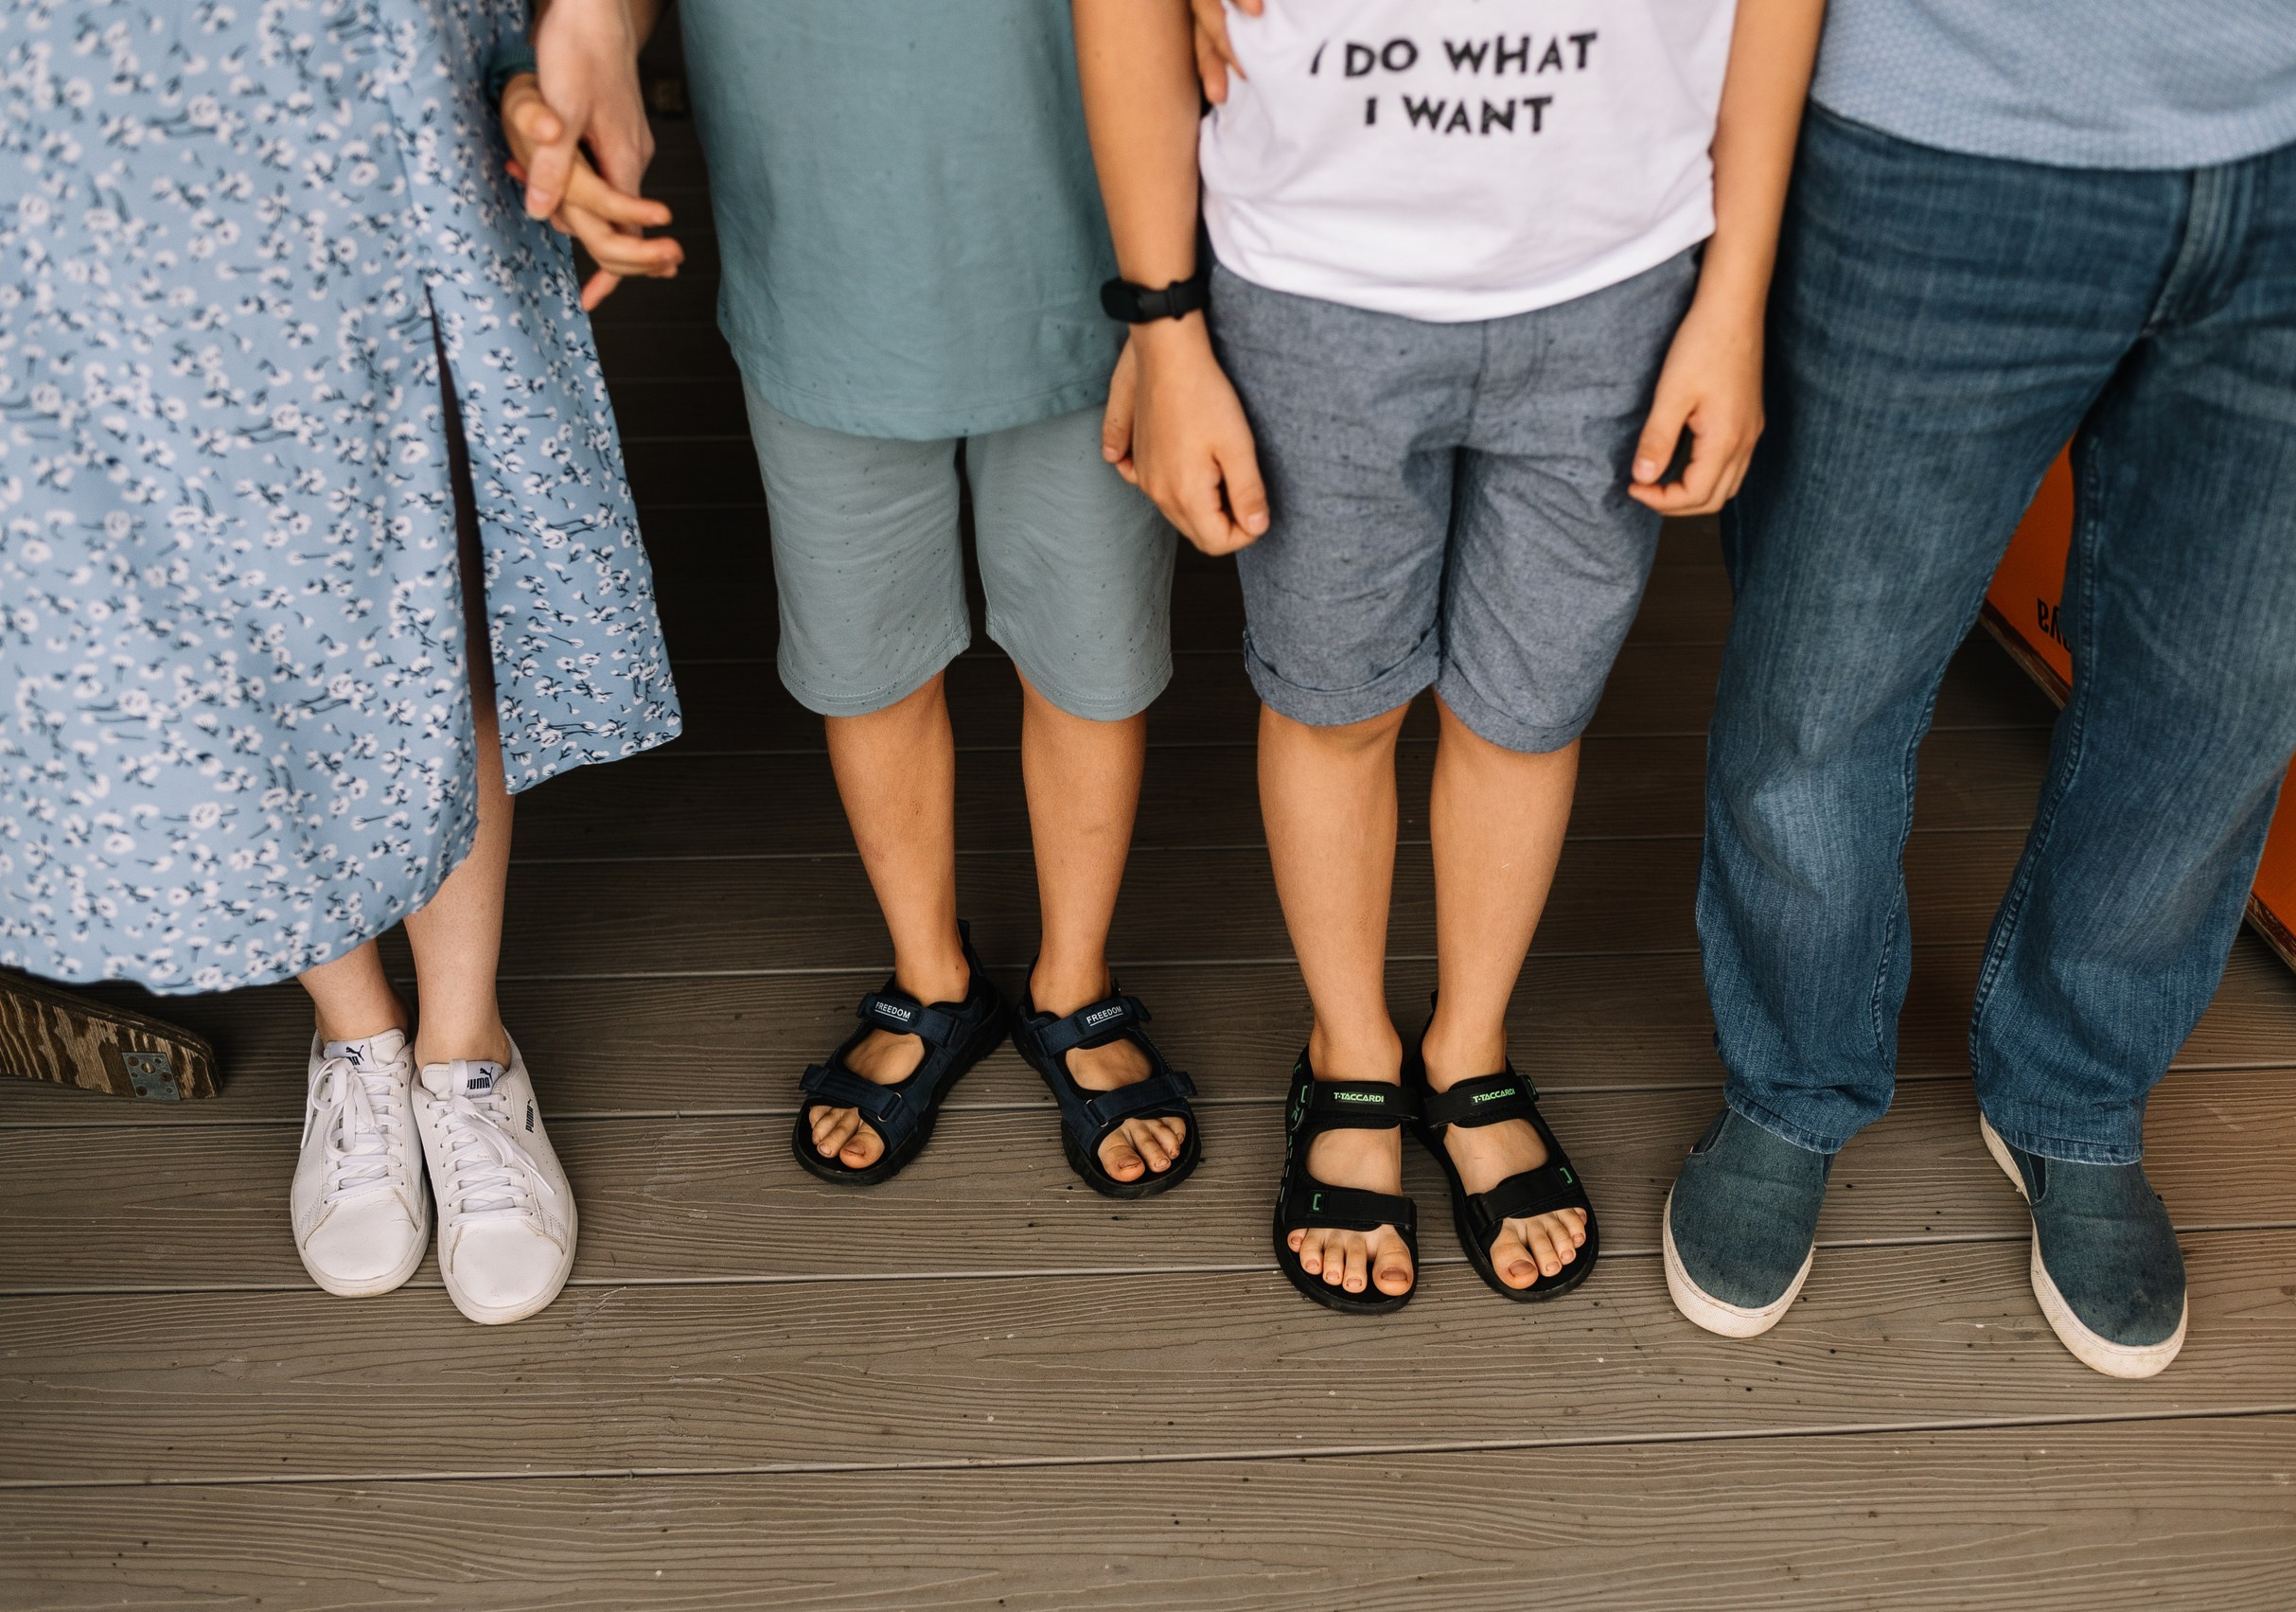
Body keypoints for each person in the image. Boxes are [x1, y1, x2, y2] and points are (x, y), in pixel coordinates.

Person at [1664, 2, 2296, 1377]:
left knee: (2227, 699)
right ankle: (1792, 1078)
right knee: (1820, 682)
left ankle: (2073, 1088)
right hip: (1938, 125)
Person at [1083, 0, 1825, 1310]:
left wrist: (1737, 295)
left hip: (1621, 276)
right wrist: (1164, 324)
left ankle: (1468, 1040)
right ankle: (1351, 1045)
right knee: (1332, 701)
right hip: (1312, 284)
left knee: (1527, 711)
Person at [0, 0, 683, 1325]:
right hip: (68, 130)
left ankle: (463, 1043)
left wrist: (601, 15)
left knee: (418, 545)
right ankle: (357, 1026)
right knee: (185, 590)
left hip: (349, 81)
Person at [539, 0, 1204, 1197]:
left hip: (1094, 244)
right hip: (820, 249)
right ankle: (932, 975)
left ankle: (1073, 980)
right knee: (867, 656)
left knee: (1090, 655)